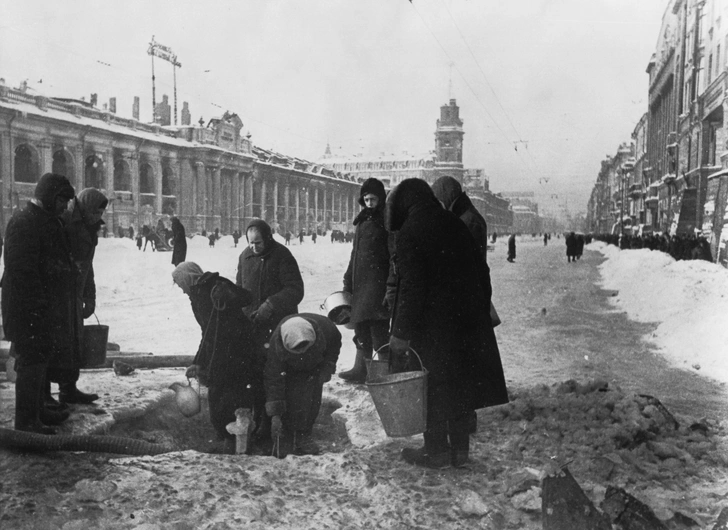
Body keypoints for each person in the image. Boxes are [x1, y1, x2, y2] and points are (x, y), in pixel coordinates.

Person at [384, 178, 508, 469]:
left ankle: (436, 451)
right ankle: (460, 451)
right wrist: (475, 309)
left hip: (433, 328)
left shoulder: (411, 230)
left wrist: (401, 334)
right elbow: (482, 272)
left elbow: (412, 288)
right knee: (461, 386)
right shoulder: (454, 223)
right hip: (465, 323)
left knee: (434, 388)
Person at [2, 173, 77, 434]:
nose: (65, 206)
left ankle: (38, 410)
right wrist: (37, 305)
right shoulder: (24, 222)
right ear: (47, 196)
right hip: (27, 306)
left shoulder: (45, 220)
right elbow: (22, 271)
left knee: (40, 356)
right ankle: (26, 421)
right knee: (31, 360)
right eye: (61, 199)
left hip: (41, 305)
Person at [431, 175, 505, 434]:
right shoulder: (466, 214)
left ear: (447, 196)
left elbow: (467, 262)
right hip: (470, 293)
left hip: (466, 295)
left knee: (464, 359)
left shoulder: (467, 220)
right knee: (466, 358)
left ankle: (466, 416)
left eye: (439, 198)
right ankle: (465, 414)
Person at [173, 262, 262, 453]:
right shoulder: (195, 296)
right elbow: (207, 331)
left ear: (188, 277)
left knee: (237, 394)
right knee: (217, 395)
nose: (181, 290)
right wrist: (198, 361)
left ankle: (239, 441)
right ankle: (225, 437)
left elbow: (247, 297)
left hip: (239, 347)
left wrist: (229, 294)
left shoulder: (217, 283)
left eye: (181, 284)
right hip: (219, 350)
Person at [47, 188, 109, 407]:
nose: (99, 217)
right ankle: (44, 395)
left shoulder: (89, 227)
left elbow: (88, 267)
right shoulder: (65, 222)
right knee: (53, 344)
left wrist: (90, 296)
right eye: (96, 212)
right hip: (58, 294)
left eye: (101, 213)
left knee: (73, 344)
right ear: (86, 207)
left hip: (74, 294)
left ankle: (68, 390)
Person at [339, 178, 392, 384]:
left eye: (374, 199)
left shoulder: (386, 221)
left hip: (378, 285)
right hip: (360, 284)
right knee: (361, 328)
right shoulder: (361, 221)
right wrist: (347, 278)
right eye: (366, 199)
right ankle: (361, 369)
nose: (370, 203)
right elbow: (355, 253)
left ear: (381, 199)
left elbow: (392, 254)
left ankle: (386, 373)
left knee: (379, 330)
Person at [265, 313, 340, 457]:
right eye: (297, 351)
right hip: (289, 367)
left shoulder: (328, 329)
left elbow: (334, 347)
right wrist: (275, 414)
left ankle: (304, 434)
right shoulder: (277, 345)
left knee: (311, 397)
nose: (301, 353)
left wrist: (328, 366)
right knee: (290, 395)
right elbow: (274, 380)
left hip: (315, 363)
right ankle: (285, 433)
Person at [236, 219, 304, 340]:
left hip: (278, 324)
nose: (254, 247)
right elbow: (239, 288)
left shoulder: (282, 255)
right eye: (251, 243)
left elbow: (295, 289)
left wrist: (271, 304)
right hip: (252, 325)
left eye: (258, 243)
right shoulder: (244, 257)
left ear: (267, 238)